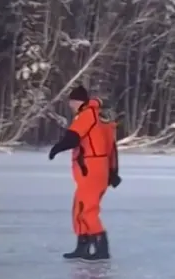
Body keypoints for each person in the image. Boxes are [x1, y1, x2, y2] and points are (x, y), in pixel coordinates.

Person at [48, 85, 120, 262]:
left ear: (78, 101)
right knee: (80, 208)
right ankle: (83, 245)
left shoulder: (87, 115)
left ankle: (101, 247)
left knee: (87, 209)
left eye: (72, 101)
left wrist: (57, 148)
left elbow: (73, 137)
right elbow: (111, 148)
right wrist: (112, 171)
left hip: (90, 169)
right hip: (98, 169)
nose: (71, 105)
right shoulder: (101, 118)